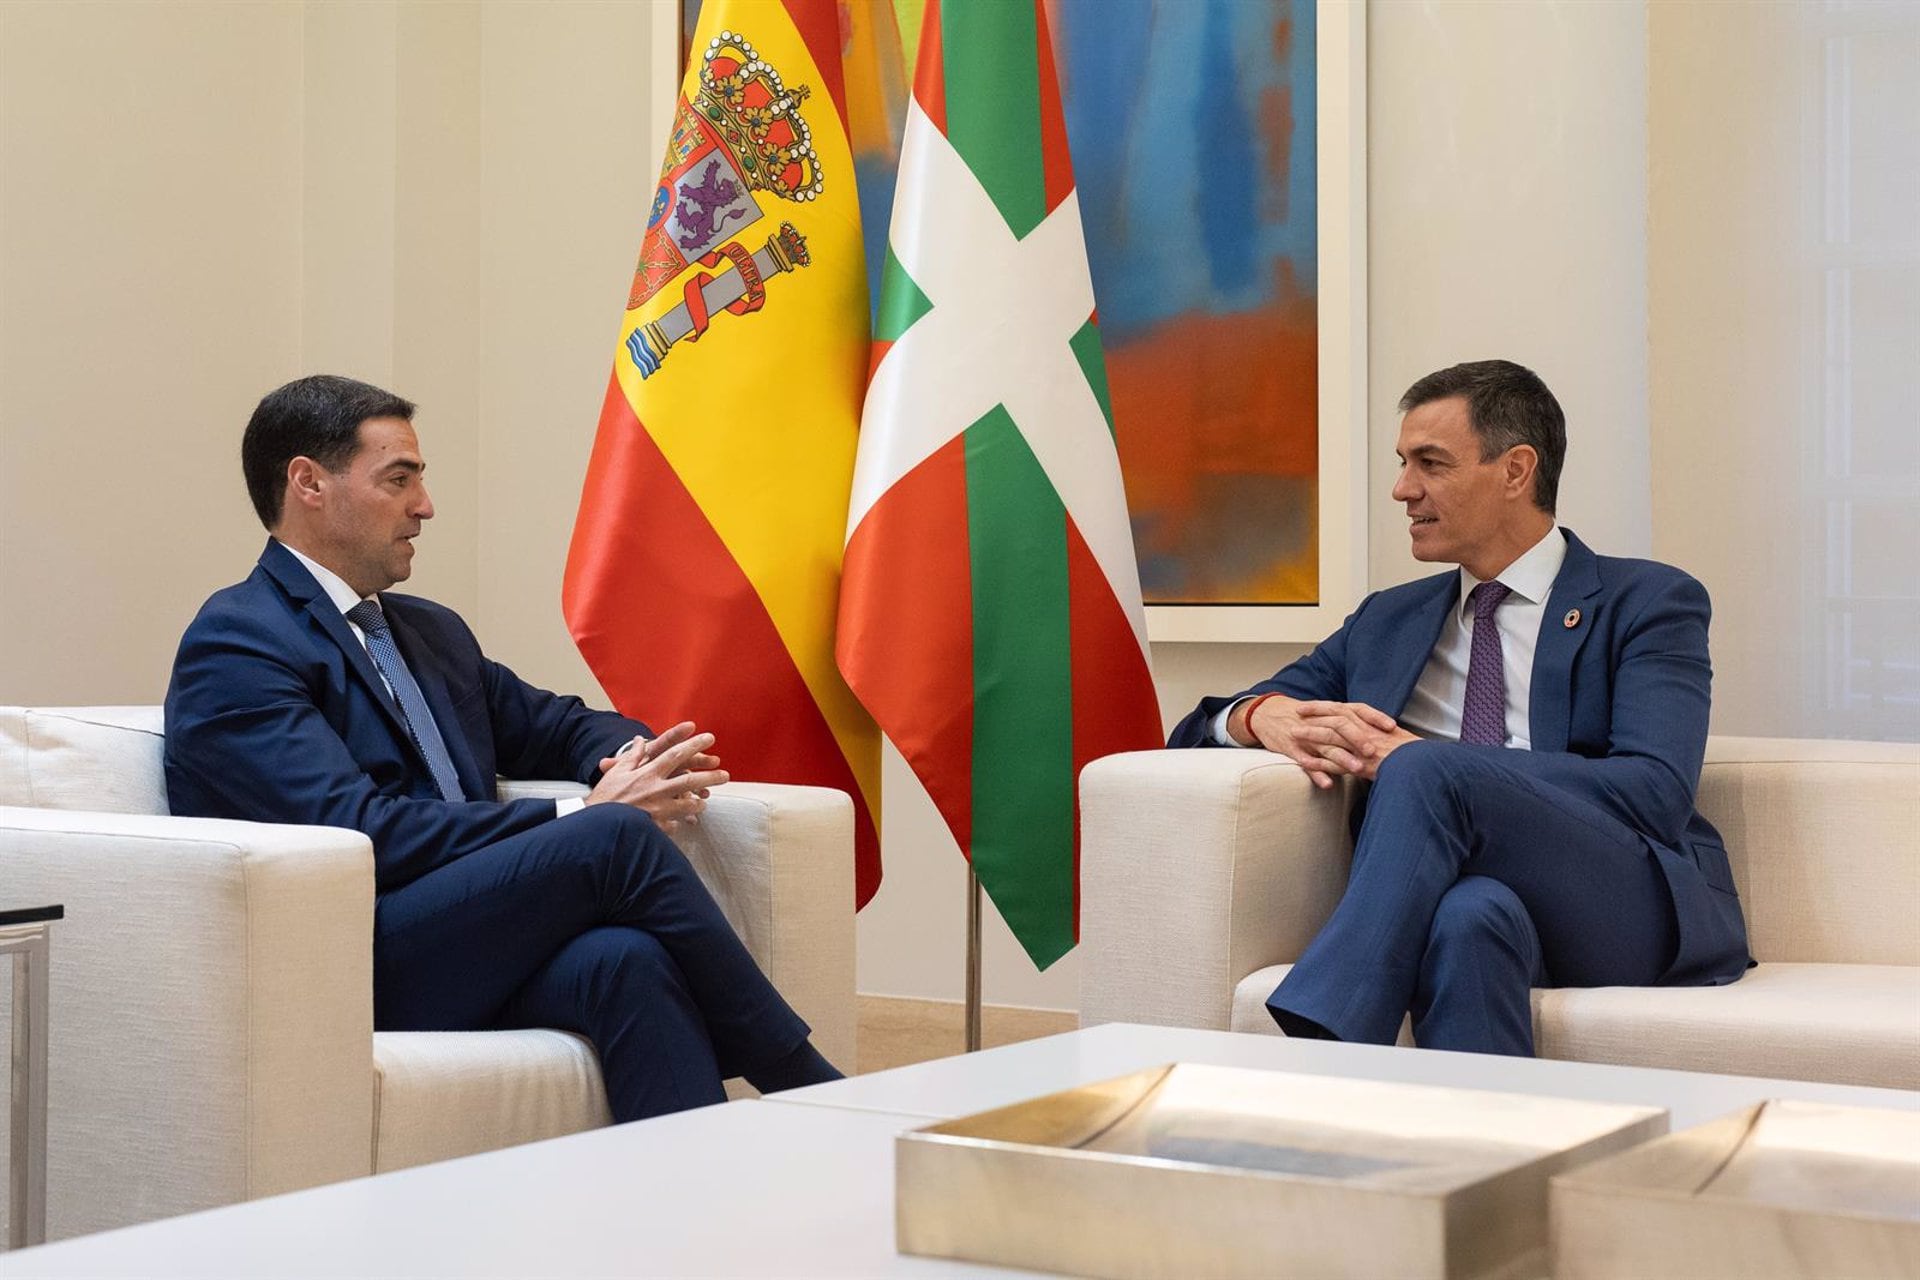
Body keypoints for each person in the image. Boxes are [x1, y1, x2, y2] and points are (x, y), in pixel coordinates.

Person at [165, 374, 841, 1120]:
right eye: (398, 480)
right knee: (613, 834)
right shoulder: (240, 640)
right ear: (309, 483)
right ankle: (808, 1090)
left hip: (466, 932)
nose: (425, 506)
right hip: (347, 955)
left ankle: (698, 1188)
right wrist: (587, 811)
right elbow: (357, 828)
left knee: (626, 959)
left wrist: (635, 759)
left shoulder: (428, 632)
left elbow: (557, 725)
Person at [1169, 359, 1751, 1055]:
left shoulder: (1648, 601)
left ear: (1515, 471)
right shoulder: (1389, 621)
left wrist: (1439, 767)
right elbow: (1193, 731)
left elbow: (1655, 793)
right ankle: (1487, 1124)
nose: (1402, 489)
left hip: (1621, 900)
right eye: (1402, 463)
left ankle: (1321, 1047)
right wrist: (1257, 715)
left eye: (1430, 463)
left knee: (1423, 766)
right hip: (1479, 897)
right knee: (1467, 918)